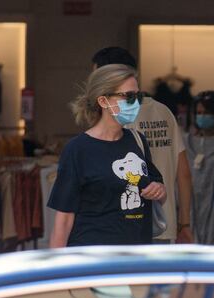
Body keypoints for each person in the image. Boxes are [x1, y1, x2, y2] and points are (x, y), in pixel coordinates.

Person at [48, 64, 166, 247]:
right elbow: (63, 218)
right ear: (103, 101)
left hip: (136, 254)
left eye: (138, 96)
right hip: (93, 256)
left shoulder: (137, 141)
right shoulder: (78, 149)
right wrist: (56, 269)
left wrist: (158, 189)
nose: (135, 103)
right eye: (128, 96)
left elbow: (159, 190)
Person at [92, 47, 193, 244]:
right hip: (164, 221)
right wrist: (184, 223)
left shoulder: (116, 115)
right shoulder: (165, 112)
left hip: (127, 225)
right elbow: (184, 173)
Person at [184, 90, 214, 244]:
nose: (202, 116)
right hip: (190, 210)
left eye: (206, 112)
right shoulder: (187, 143)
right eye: (199, 113)